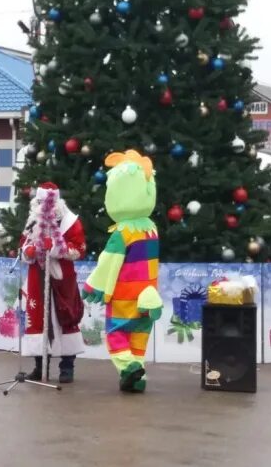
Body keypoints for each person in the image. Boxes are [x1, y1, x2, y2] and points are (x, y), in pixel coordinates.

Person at [83, 150, 163, 393]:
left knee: (117, 336)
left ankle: (128, 368)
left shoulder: (122, 233)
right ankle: (138, 378)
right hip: (148, 296)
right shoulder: (151, 229)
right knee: (139, 339)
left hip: (125, 297)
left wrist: (93, 286)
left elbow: (109, 262)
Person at [20, 182, 86, 383]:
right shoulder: (32, 221)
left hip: (62, 280)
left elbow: (79, 250)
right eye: (40, 203)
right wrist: (28, 252)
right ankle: (40, 367)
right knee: (38, 319)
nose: (44, 207)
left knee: (66, 317)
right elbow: (23, 245)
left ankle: (67, 367)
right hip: (37, 279)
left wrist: (58, 248)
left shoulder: (70, 222)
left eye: (47, 202)